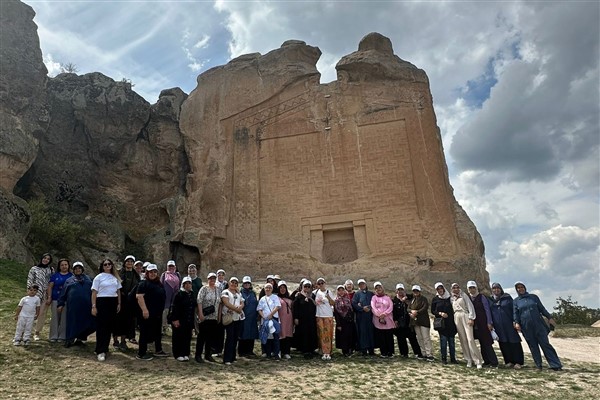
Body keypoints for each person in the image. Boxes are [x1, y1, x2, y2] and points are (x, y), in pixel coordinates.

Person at [513, 281, 562, 371]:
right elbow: (515, 313)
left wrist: (549, 317)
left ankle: (555, 365)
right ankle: (538, 365)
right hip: (526, 326)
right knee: (533, 346)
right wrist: (516, 322)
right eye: (518, 288)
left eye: (521, 287)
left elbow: (542, 308)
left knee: (545, 344)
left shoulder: (533, 297)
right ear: (516, 290)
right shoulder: (516, 301)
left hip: (539, 325)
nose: (520, 289)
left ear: (525, 288)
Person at [58, 262, 95, 347]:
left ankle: (80, 339)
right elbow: (63, 293)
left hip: (87, 305)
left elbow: (95, 291)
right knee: (72, 322)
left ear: (82, 269)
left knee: (87, 322)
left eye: (79, 268)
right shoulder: (69, 280)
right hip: (73, 306)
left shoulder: (89, 279)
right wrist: (60, 303)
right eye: (76, 268)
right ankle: (69, 339)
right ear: (73, 270)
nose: (78, 270)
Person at [91, 259, 122, 362]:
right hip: (102, 301)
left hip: (112, 301)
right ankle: (100, 350)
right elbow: (94, 293)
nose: (108, 266)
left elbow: (118, 291)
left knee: (109, 326)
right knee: (101, 326)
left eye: (109, 264)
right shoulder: (98, 277)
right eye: (105, 264)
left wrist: (119, 303)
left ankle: (105, 347)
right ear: (102, 266)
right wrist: (94, 306)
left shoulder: (115, 277)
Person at [136, 263, 168, 360]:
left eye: (154, 272)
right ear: (147, 273)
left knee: (158, 332)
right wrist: (145, 310)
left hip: (157, 314)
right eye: (151, 272)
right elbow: (139, 297)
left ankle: (158, 350)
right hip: (147, 313)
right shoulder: (143, 283)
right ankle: (141, 353)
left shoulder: (159, 283)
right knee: (144, 332)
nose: (153, 274)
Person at [490, 282, 524, 369]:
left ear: (501, 289)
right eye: (494, 288)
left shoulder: (507, 298)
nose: (496, 290)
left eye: (498, 288)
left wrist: (515, 321)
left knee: (514, 342)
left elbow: (514, 310)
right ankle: (508, 361)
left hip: (509, 324)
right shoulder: (491, 300)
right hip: (498, 326)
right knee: (503, 343)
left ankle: (518, 362)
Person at [450, 282, 483, 368]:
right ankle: (468, 359)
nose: (456, 289)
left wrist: (471, 318)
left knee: (470, 339)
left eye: (457, 287)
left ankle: (477, 360)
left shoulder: (464, 295)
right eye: (454, 288)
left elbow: (470, 306)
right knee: (463, 339)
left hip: (465, 315)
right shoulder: (452, 298)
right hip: (457, 317)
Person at [467, 280, 499, 367]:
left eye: (473, 288)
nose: (472, 290)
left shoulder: (481, 297)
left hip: (483, 323)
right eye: (470, 288)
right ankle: (487, 361)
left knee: (487, 343)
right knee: (481, 343)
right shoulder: (468, 298)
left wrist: (489, 322)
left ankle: (494, 362)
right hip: (475, 325)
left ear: (476, 288)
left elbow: (487, 310)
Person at [114, 255, 141, 350]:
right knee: (117, 321)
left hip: (131, 302)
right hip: (120, 300)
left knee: (127, 321)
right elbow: (116, 286)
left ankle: (123, 341)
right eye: (128, 261)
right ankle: (115, 341)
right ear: (125, 262)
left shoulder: (136, 275)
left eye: (131, 261)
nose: (129, 263)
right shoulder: (120, 274)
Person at [194, 272, 221, 363]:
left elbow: (219, 303)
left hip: (213, 317)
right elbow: (199, 301)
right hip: (205, 316)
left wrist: (218, 315)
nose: (212, 280)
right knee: (202, 336)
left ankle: (207, 354)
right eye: (210, 278)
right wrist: (200, 313)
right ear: (208, 279)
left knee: (210, 337)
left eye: (214, 278)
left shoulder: (218, 290)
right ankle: (198, 355)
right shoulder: (204, 289)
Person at [27, 253, 54, 341]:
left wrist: (49, 295)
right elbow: (30, 281)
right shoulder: (34, 269)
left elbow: (51, 282)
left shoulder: (51, 270)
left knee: (41, 314)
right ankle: (25, 331)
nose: (46, 260)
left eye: (48, 259)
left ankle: (37, 332)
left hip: (45, 295)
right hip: (34, 294)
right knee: (30, 313)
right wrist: (30, 292)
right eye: (44, 258)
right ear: (41, 258)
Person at [392, 283, 423, 358]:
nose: (400, 291)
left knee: (412, 338)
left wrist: (406, 298)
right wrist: (395, 320)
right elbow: (394, 311)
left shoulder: (409, 297)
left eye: (401, 289)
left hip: (409, 321)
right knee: (401, 338)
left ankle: (417, 353)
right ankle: (404, 353)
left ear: (404, 290)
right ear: (396, 291)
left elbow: (414, 295)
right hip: (399, 322)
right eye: (398, 290)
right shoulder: (394, 300)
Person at [431, 282, 458, 364]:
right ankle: (444, 358)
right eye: (438, 289)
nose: (440, 290)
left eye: (441, 288)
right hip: (442, 324)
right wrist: (440, 313)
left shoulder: (450, 298)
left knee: (451, 342)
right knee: (443, 341)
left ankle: (453, 358)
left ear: (443, 288)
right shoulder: (435, 299)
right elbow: (433, 311)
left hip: (451, 323)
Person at [46, 258, 73, 342]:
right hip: (55, 299)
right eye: (62, 265)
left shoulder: (71, 276)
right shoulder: (55, 276)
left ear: (68, 266)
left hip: (66, 300)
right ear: (59, 266)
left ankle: (62, 336)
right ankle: (53, 336)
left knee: (64, 318)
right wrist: (49, 297)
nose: (64, 266)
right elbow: (50, 287)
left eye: (65, 265)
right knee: (55, 317)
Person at [220, 277, 245, 365]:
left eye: (235, 283)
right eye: (232, 282)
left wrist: (240, 308)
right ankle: (226, 358)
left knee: (235, 338)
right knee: (229, 338)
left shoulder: (238, 293)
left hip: (237, 318)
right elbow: (226, 303)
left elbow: (242, 302)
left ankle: (233, 356)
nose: (234, 284)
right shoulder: (225, 292)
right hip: (229, 318)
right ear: (229, 283)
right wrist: (236, 309)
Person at [170, 276, 195, 361]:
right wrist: (175, 319)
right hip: (179, 320)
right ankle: (178, 354)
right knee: (178, 337)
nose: (188, 285)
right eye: (186, 283)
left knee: (187, 337)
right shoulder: (178, 294)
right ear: (183, 285)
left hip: (188, 320)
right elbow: (174, 307)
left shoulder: (192, 294)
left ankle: (185, 353)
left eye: (189, 283)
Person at [292, 280, 318, 358]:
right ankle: (304, 349)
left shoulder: (312, 295)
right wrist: (296, 318)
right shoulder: (299, 296)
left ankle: (311, 349)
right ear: (302, 287)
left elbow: (316, 305)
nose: (307, 288)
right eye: (305, 286)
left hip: (311, 319)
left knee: (311, 333)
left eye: (308, 286)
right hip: (302, 319)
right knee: (303, 333)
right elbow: (295, 307)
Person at [257, 283, 282, 359]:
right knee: (266, 336)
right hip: (265, 319)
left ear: (272, 289)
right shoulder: (262, 299)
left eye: (269, 288)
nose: (268, 289)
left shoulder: (275, 297)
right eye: (266, 288)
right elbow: (259, 309)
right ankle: (268, 353)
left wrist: (271, 314)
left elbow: (277, 306)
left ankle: (276, 353)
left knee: (275, 336)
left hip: (273, 318)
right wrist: (264, 317)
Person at [409, 285, 434, 361]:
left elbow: (425, 307)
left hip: (424, 322)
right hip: (416, 322)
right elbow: (408, 308)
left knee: (426, 338)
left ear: (419, 291)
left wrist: (416, 312)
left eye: (417, 291)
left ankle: (429, 354)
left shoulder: (424, 299)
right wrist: (411, 312)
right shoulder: (413, 300)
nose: (415, 292)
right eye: (414, 291)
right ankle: (424, 353)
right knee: (420, 338)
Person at [371, 281, 394, 358]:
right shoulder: (374, 298)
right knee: (381, 337)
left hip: (388, 320)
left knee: (389, 337)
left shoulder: (387, 298)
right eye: (376, 288)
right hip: (378, 321)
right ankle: (383, 352)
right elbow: (373, 307)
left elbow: (391, 307)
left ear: (382, 288)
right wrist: (379, 315)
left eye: (379, 288)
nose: (378, 289)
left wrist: (385, 314)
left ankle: (390, 352)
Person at [313, 277, 335, 360]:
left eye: (322, 283)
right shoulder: (315, 293)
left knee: (328, 335)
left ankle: (328, 352)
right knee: (321, 334)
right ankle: (322, 350)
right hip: (319, 316)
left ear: (325, 283)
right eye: (319, 283)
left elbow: (333, 303)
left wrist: (328, 297)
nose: (321, 285)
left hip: (328, 315)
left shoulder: (329, 292)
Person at [352, 278, 375, 356]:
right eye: (360, 284)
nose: (362, 285)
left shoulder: (371, 294)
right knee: (362, 333)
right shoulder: (357, 294)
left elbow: (374, 303)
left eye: (363, 284)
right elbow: (354, 304)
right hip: (361, 317)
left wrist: (369, 308)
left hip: (370, 316)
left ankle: (371, 349)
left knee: (370, 332)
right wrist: (362, 309)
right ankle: (364, 350)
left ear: (365, 284)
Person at [239, 276, 259, 357]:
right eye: (245, 283)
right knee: (243, 333)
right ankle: (242, 351)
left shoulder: (253, 293)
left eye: (248, 283)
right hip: (244, 317)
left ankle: (250, 350)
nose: (247, 284)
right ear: (243, 284)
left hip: (253, 317)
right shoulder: (240, 293)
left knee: (252, 334)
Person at [333, 285, 356, 357]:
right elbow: (336, 313)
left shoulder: (348, 298)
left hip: (349, 320)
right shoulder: (336, 300)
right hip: (341, 321)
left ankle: (350, 350)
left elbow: (351, 309)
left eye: (342, 290)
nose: (341, 292)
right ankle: (345, 351)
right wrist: (339, 324)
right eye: (339, 290)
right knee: (343, 337)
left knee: (350, 335)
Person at [160, 260, 181, 334]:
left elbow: (180, 285)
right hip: (166, 297)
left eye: (172, 266)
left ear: (175, 267)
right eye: (169, 266)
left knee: (173, 311)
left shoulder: (177, 275)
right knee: (165, 311)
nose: (171, 267)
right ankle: (163, 327)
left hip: (175, 297)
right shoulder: (164, 274)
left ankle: (172, 327)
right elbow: (161, 285)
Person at [277, 281, 294, 359]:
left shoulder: (289, 298)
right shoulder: (276, 298)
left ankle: (286, 352)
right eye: (281, 288)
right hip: (280, 319)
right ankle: (279, 351)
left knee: (287, 335)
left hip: (289, 320)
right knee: (281, 334)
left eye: (284, 288)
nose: (282, 289)